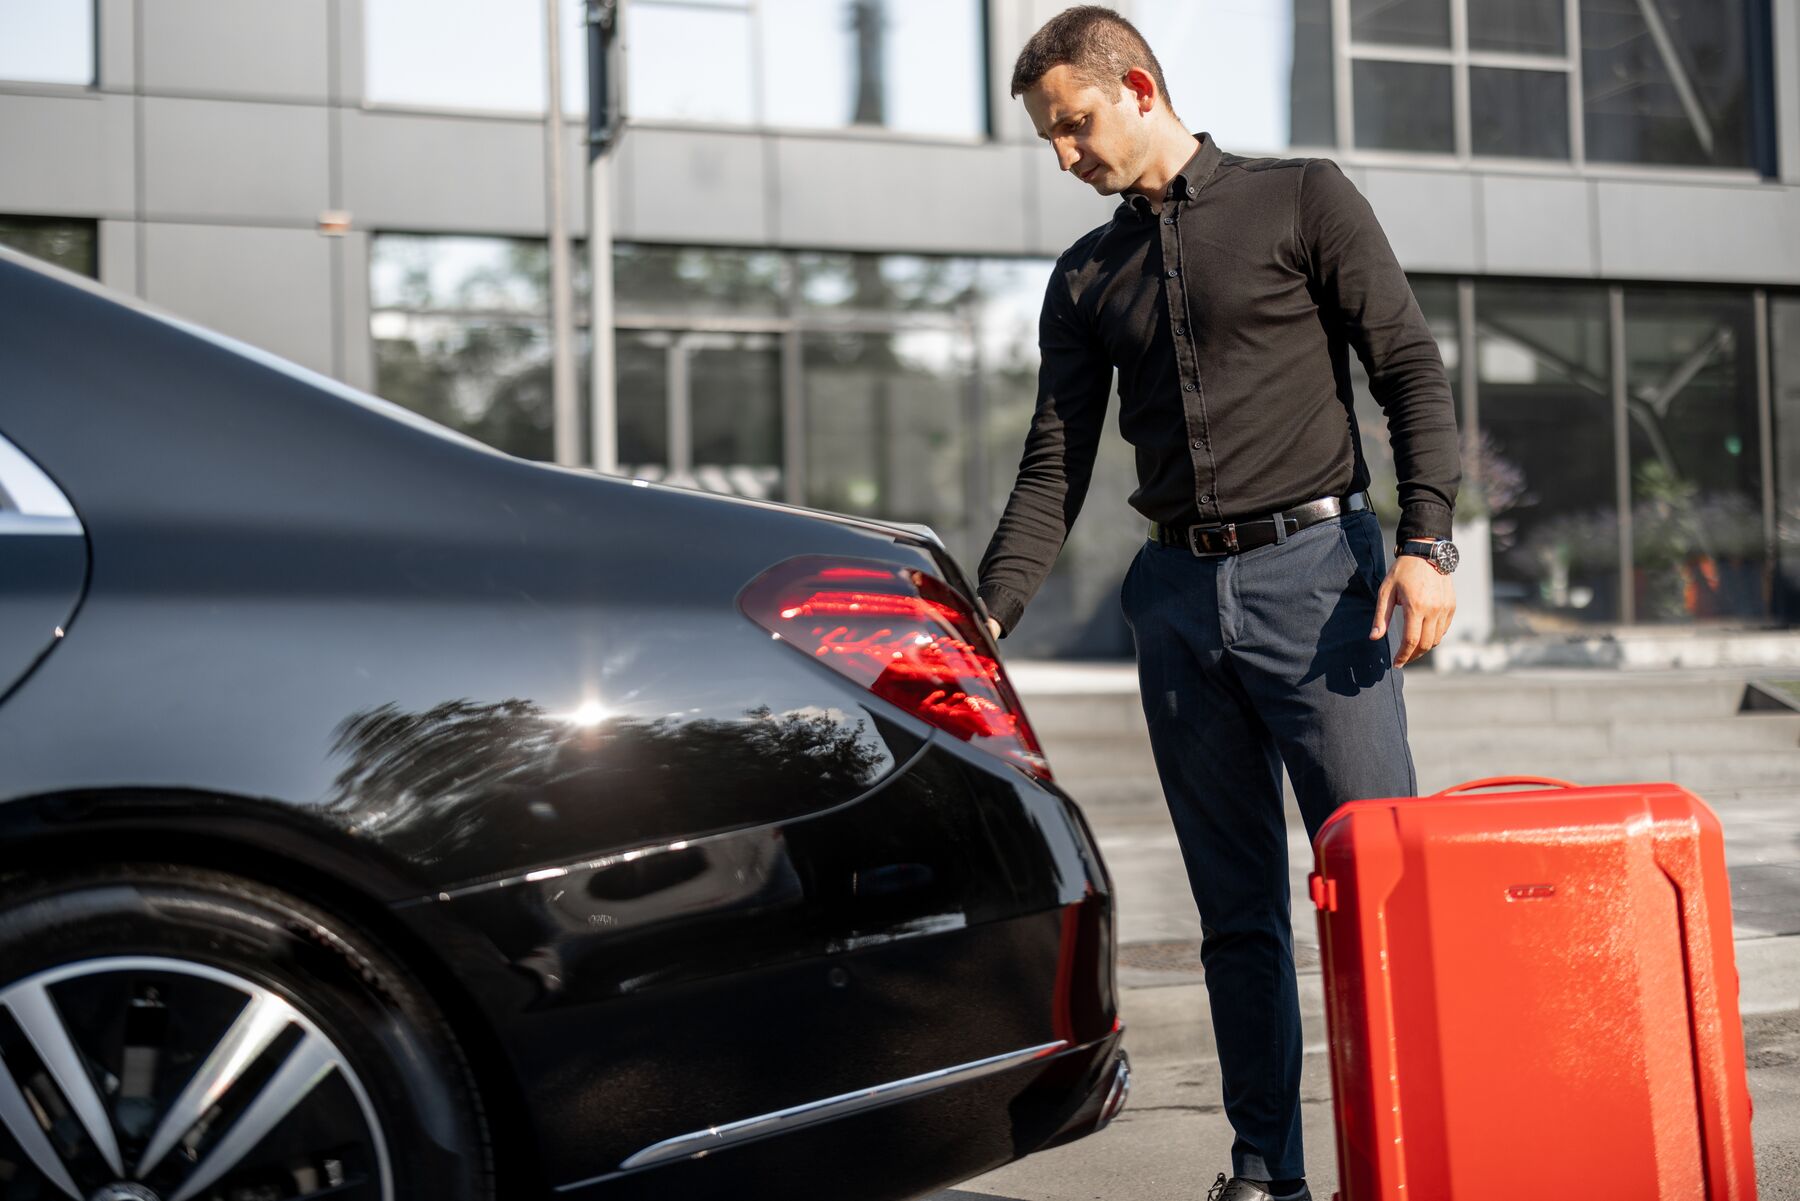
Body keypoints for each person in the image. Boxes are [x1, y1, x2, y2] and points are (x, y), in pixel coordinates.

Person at [977, 8, 1462, 1200]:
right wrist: (982, 621)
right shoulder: (1085, 277)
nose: (1064, 158)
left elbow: (1407, 367)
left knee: (1377, 897)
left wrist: (1428, 540)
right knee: (1235, 917)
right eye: (1048, 139)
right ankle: (1266, 1175)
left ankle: (1410, 1167)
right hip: (1179, 607)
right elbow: (1055, 465)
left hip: (1323, 589)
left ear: (1136, 86)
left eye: (1073, 126)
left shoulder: (1305, 197)